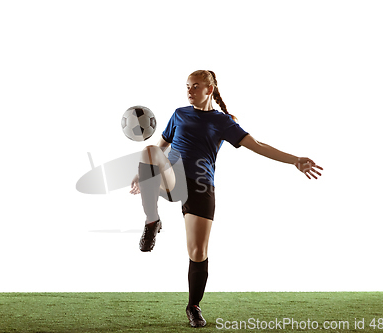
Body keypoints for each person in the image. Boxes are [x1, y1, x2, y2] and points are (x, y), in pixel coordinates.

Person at [130, 70, 323, 328]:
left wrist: (294, 160)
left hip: (201, 188)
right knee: (149, 150)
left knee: (197, 252)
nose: (189, 91)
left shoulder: (222, 122)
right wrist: (141, 172)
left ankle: (193, 306)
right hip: (174, 180)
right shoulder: (179, 114)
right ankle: (152, 221)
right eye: (187, 86)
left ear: (209, 90)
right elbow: (160, 147)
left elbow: (258, 145)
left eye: (195, 86)